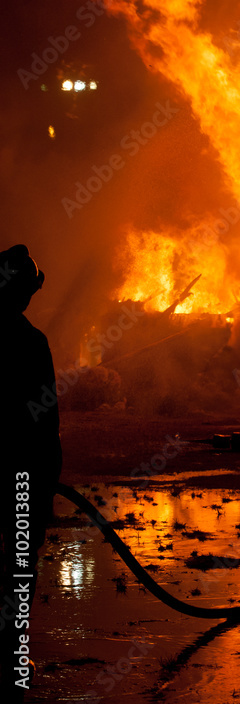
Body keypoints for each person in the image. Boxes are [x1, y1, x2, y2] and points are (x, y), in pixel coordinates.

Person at [0, 245, 62, 700]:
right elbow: (45, 420)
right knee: (20, 562)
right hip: (19, 474)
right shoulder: (31, 341)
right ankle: (12, 654)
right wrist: (46, 483)